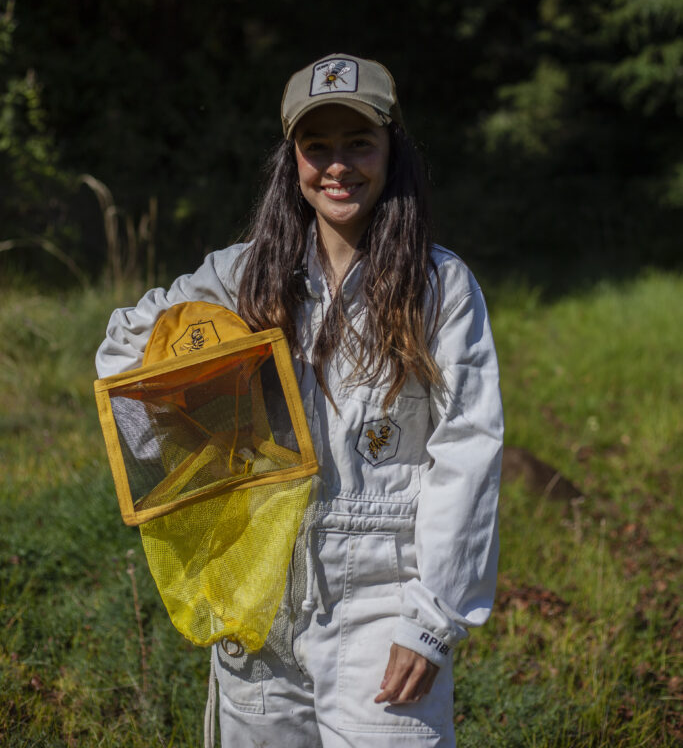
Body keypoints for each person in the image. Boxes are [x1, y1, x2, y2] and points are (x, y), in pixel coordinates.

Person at [96, 53, 504, 748]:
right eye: (317, 147)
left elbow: (466, 452)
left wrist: (430, 621)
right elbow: (123, 356)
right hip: (261, 599)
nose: (337, 166)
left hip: (383, 603)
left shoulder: (439, 288)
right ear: (292, 161)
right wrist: (203, 363)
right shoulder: (241, 274)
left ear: (390, 151)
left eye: (358, 143)